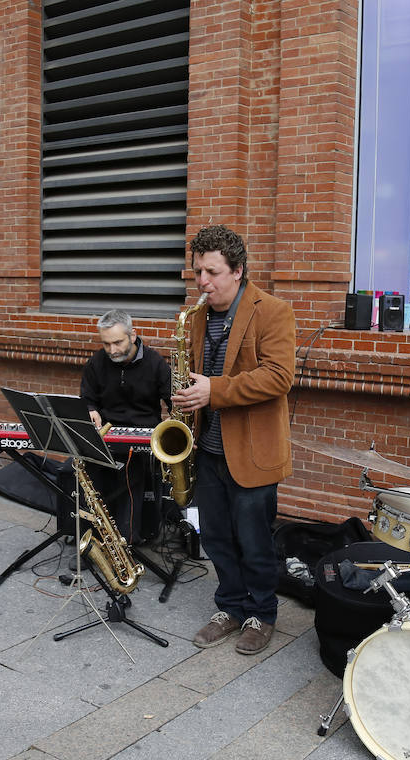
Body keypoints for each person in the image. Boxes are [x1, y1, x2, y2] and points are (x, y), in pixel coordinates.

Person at [172, 224, 295, 656]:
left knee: (254, 541)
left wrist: (215, 390)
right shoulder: (196, 317)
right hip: (207, 450)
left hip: (253, 453)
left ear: (238, 270)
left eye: (212, 272)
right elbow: (193, 376)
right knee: (216, 538)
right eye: (197, 272)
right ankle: (230, 606)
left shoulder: (273, 311)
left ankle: (262, 614)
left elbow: (279, 377)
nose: (202, 282)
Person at [80, 310, 172, 546]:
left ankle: (126, 539)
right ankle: (95, 539)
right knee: (86, 474)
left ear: (132, 336)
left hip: (144, 439)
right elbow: (87, 398)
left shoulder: (155, 362)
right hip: (105, 436)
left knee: (132, 476)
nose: (112, 350)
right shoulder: (96, 362)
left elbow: (174, 402)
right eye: (106, 344)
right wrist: (90, 409)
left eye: (118, 342)